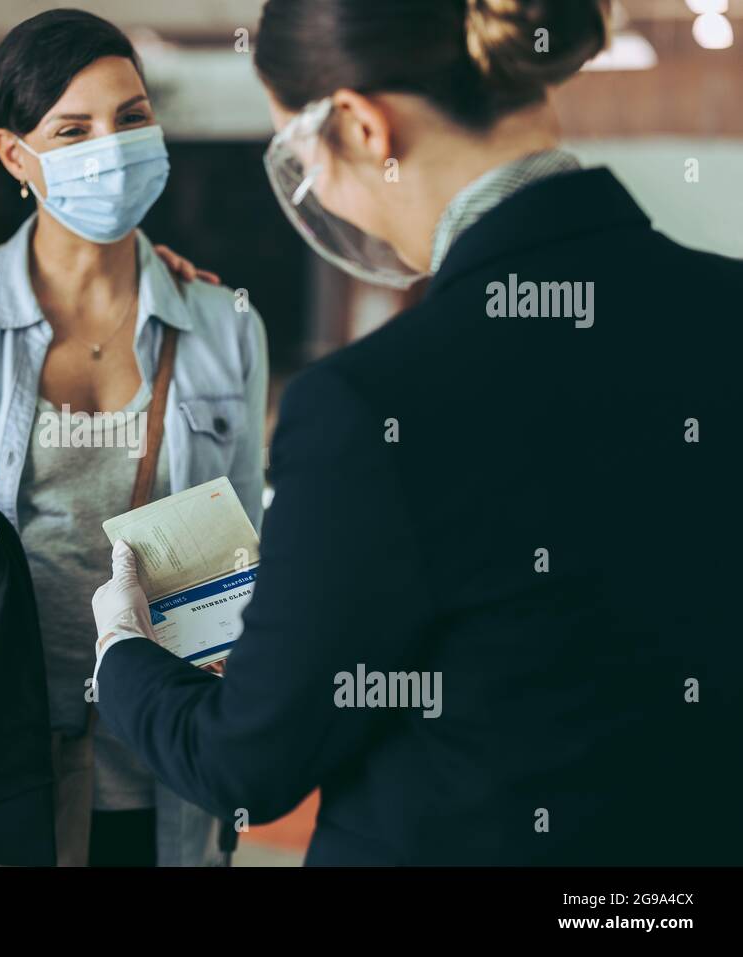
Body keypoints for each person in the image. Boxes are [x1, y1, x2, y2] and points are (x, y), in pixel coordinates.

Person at [92, 0, 743, 865]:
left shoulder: (366, 406)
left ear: (364, 125)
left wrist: (121, 652)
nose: (314, 190)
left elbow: (247, 761)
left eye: (300, 154)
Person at [0, 9, 269, 867]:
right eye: (72, 130)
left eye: (132, 117)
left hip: (162, 760)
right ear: (14, 155)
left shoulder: (225, 326)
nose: (110, 147)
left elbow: (243, 558)